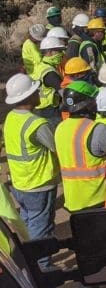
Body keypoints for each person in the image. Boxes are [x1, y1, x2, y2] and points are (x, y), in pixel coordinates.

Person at [54, 80, 106, 288]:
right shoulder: (97, 129)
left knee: (86, 250)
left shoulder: (60, 128)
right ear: (88, 104)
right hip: (99, 198)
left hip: (75, 200)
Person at [2, 74, 59, 269]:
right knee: (41, 226)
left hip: (20, 181)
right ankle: (42, 265)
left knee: (28, 221)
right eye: (35, 91)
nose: (38, 94)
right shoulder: (37, 124)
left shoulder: (10, 117)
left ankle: (30, 258)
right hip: (38, 183)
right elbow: (54, 145)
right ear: (28, 97)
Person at [32, 36, 65, 129]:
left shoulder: (40, 66)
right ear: (50, 52)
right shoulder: (50, 73)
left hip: (38, 108)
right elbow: (64, 93)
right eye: (58, 50)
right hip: (50, 111)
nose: (61, 53)